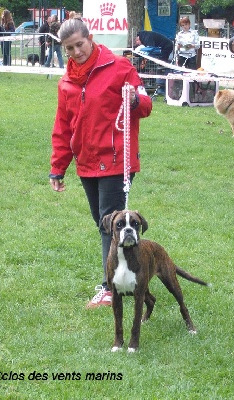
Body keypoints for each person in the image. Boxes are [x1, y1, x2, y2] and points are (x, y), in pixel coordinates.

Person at [48, 18, 152, 308]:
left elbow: (146, 105)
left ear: (90, 38)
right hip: (87, 163)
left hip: (118, 161)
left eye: (79, 44)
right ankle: (129, 274)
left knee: (111, 223)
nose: (76, 51)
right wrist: (58, 167)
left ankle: (110, 287)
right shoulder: (66, 82)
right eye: (69, 48)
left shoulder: (120, 68)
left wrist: (133, 102)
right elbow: (63, 127)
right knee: (103, 223)